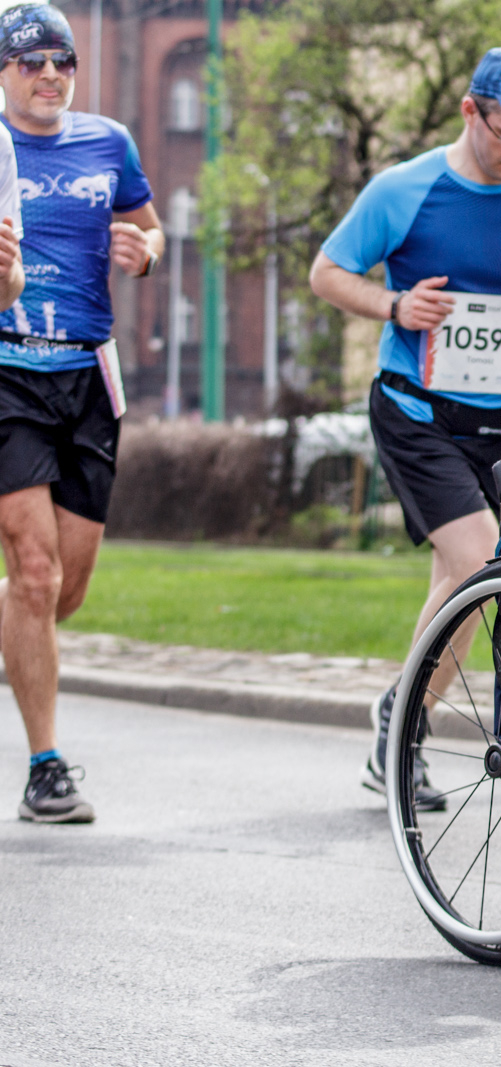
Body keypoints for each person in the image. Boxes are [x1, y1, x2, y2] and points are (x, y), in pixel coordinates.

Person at [309, 47, 501, 809]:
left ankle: (396, 722)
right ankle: (401, 731)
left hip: (497, 421)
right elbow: (327, 272)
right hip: (412, 410)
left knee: (459, 584)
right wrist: (394, 307)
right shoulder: (404, 190)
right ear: (471, 111)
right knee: (478, 562)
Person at [0, 3, 162, 824]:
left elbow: (146, 224)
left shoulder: (110, 142)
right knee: (31, 574)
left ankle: (17, 640)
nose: (51, 75)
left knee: (64, 588)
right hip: (5, 372)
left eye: (61, 60)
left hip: (89, 376)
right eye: (31, 62)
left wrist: (146, 250)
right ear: (3, 71)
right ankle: (45, 767)